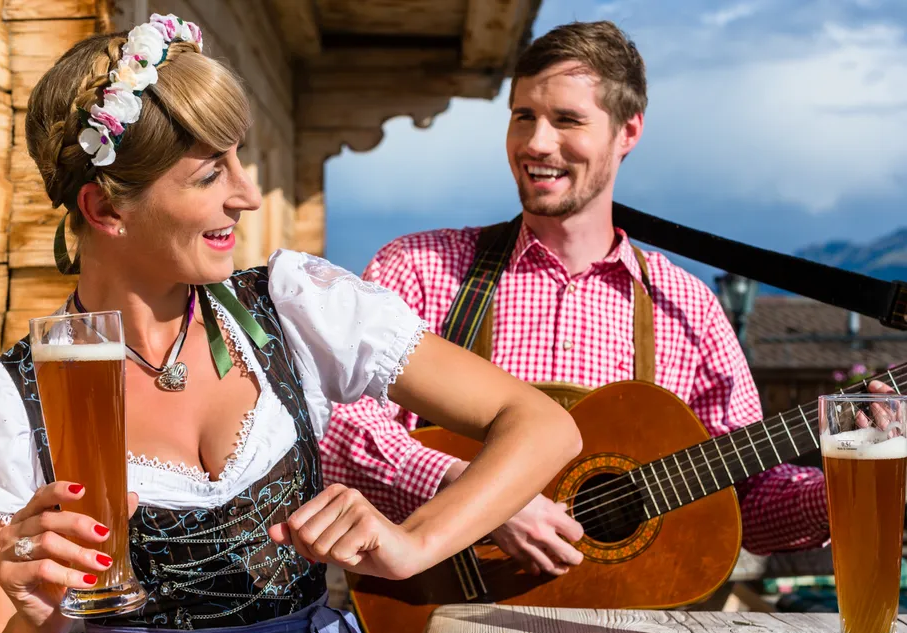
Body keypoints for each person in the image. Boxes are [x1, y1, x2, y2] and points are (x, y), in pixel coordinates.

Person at [0, 14, 583, 633]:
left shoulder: (292, 308)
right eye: (212, 173)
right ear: (105, 210)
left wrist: (415, 542)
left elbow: (543, 425)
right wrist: (37, 628)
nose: (246, 193)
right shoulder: (6, 400)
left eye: (241, 158)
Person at [320, 20, 835, 576]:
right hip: (433, 621)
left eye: (567, 120)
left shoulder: (688, 309)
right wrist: (484, 498)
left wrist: (868, 474)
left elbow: (748, 507)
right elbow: (334, 426)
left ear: (627, 132)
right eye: (524, 117)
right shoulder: (421, 270)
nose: (537, 143)